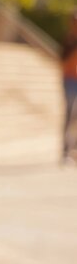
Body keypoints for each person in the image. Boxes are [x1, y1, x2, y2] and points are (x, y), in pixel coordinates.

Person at [61, 10, 77, 164]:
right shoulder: (70, 41)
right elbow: (64, 64)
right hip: (71, 82)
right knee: (69, 116)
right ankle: (65, 152)